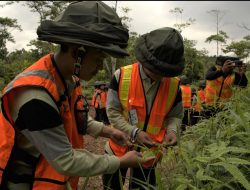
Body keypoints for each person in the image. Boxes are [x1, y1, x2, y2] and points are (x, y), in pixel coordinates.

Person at [0, 2, 150, 190]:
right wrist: (119, 162)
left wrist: (110, 131)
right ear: (76, 52)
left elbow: (76, 119)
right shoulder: (35, 96)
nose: (99, 67)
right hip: (22, 182)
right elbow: (66, 160)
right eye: (97, 59)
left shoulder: (67, 80)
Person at [102, 27, 185, 190]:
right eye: (156, 68)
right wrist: (134, 132)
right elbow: (112, 112)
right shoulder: (121, 76)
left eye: (165, 71)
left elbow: (175, 115)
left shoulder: (174, 86)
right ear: (145, 59)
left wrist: (172, 131)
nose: (161, 74)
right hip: (118, 149)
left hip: (149, 155)